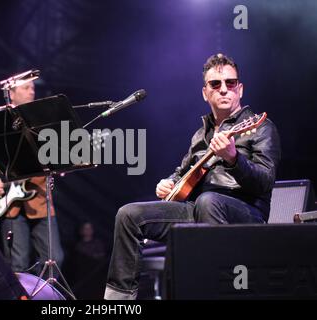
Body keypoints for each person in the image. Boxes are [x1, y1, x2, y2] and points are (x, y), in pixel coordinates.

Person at [104, 53, 281, 300]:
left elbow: (265, 181)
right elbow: (183, 173)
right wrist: (168, 184)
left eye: (231, 83)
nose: (224, 90)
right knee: (129, 215)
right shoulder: (201, 135)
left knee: (208, 200)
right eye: (215, 84)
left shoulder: (260, 127)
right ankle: (119, 302)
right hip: (197, 208)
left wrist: (234, 159)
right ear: (205, 92)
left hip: (246, 212)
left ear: (240, 89)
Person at [0, 80, 64, 275]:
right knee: (17, 264)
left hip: (40, 200)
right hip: (11, 206)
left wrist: (63, 162)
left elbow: (56, 157)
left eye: (33, 88)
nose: (32, 92)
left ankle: (42, 297)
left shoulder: (42, 120)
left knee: (54, 259)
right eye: (26, 88)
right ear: (10, 93)